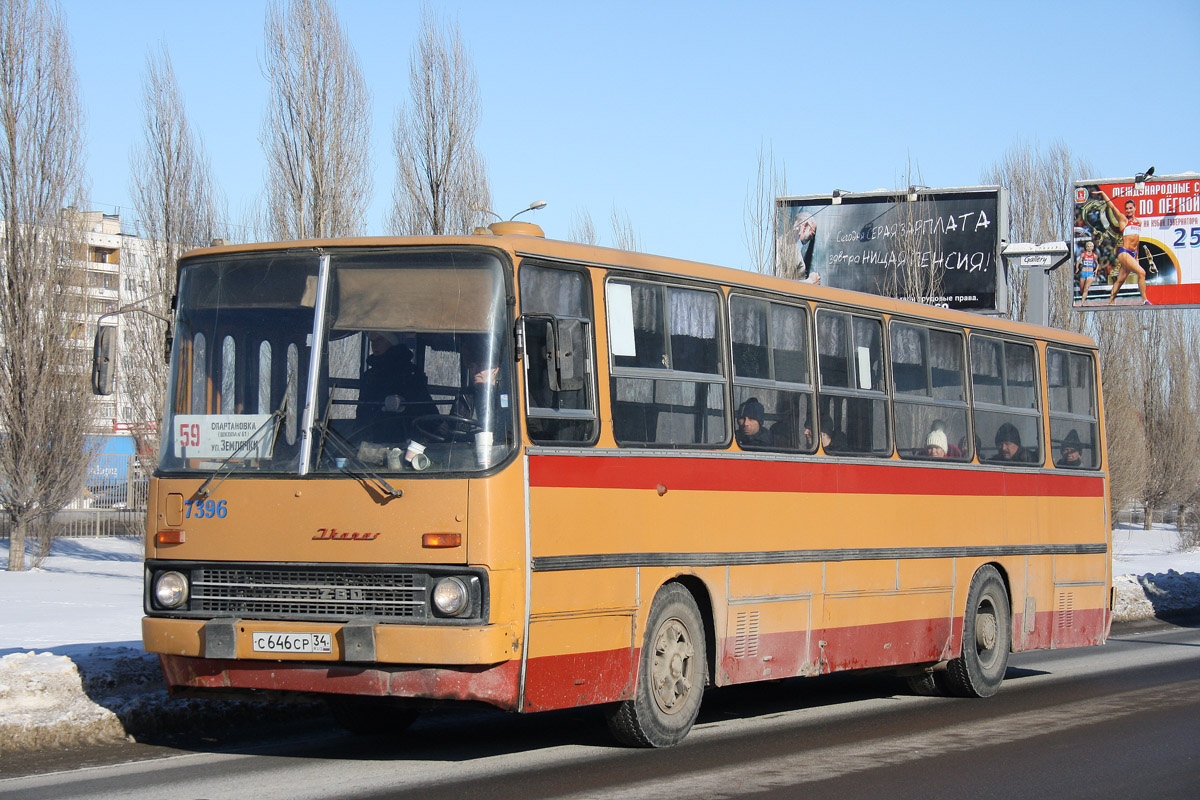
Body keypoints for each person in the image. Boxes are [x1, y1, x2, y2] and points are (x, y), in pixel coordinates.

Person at [358, 332, 432, 441]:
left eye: (380, 340)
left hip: (407, 438)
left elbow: (423, 406)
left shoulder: (410, 372)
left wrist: (403, 403)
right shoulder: (370, 375)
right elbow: (363, 411)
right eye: (372, 341)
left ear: (392, 343)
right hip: (375, 437)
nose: (375, 345)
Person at [1104, 195, 1151, 305]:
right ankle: (1145, 300)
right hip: (1124, 253)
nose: (1128, 210)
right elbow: (1112, 207)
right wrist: (1103, 194)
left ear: (1135, 208)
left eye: (1130, 208)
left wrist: (1137, 257)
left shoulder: (1139, 222)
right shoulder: (1123, 220)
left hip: (1132, 254)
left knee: (1120, 281)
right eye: (1127, 208)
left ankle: (1111, 301)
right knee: (1142, 272)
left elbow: (1137, 242)